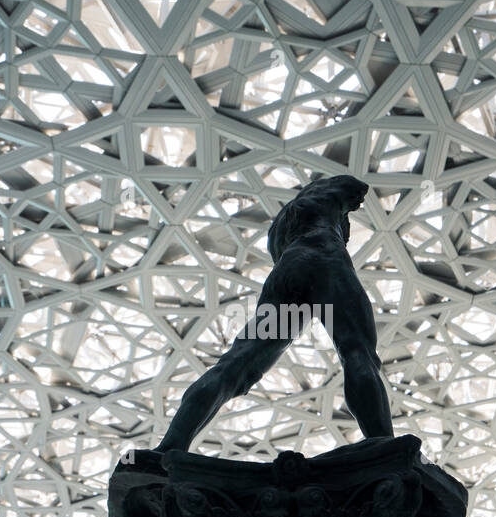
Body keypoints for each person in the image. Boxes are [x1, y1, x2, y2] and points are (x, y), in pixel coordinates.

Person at [154, 174, 392, 453]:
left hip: (286, 269)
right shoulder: (333, 193)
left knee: (237, 363)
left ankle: (171, 445)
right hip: (327, 258)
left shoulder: (281, 226)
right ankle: (386, 448)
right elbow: (355, 186)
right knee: (357, 351)